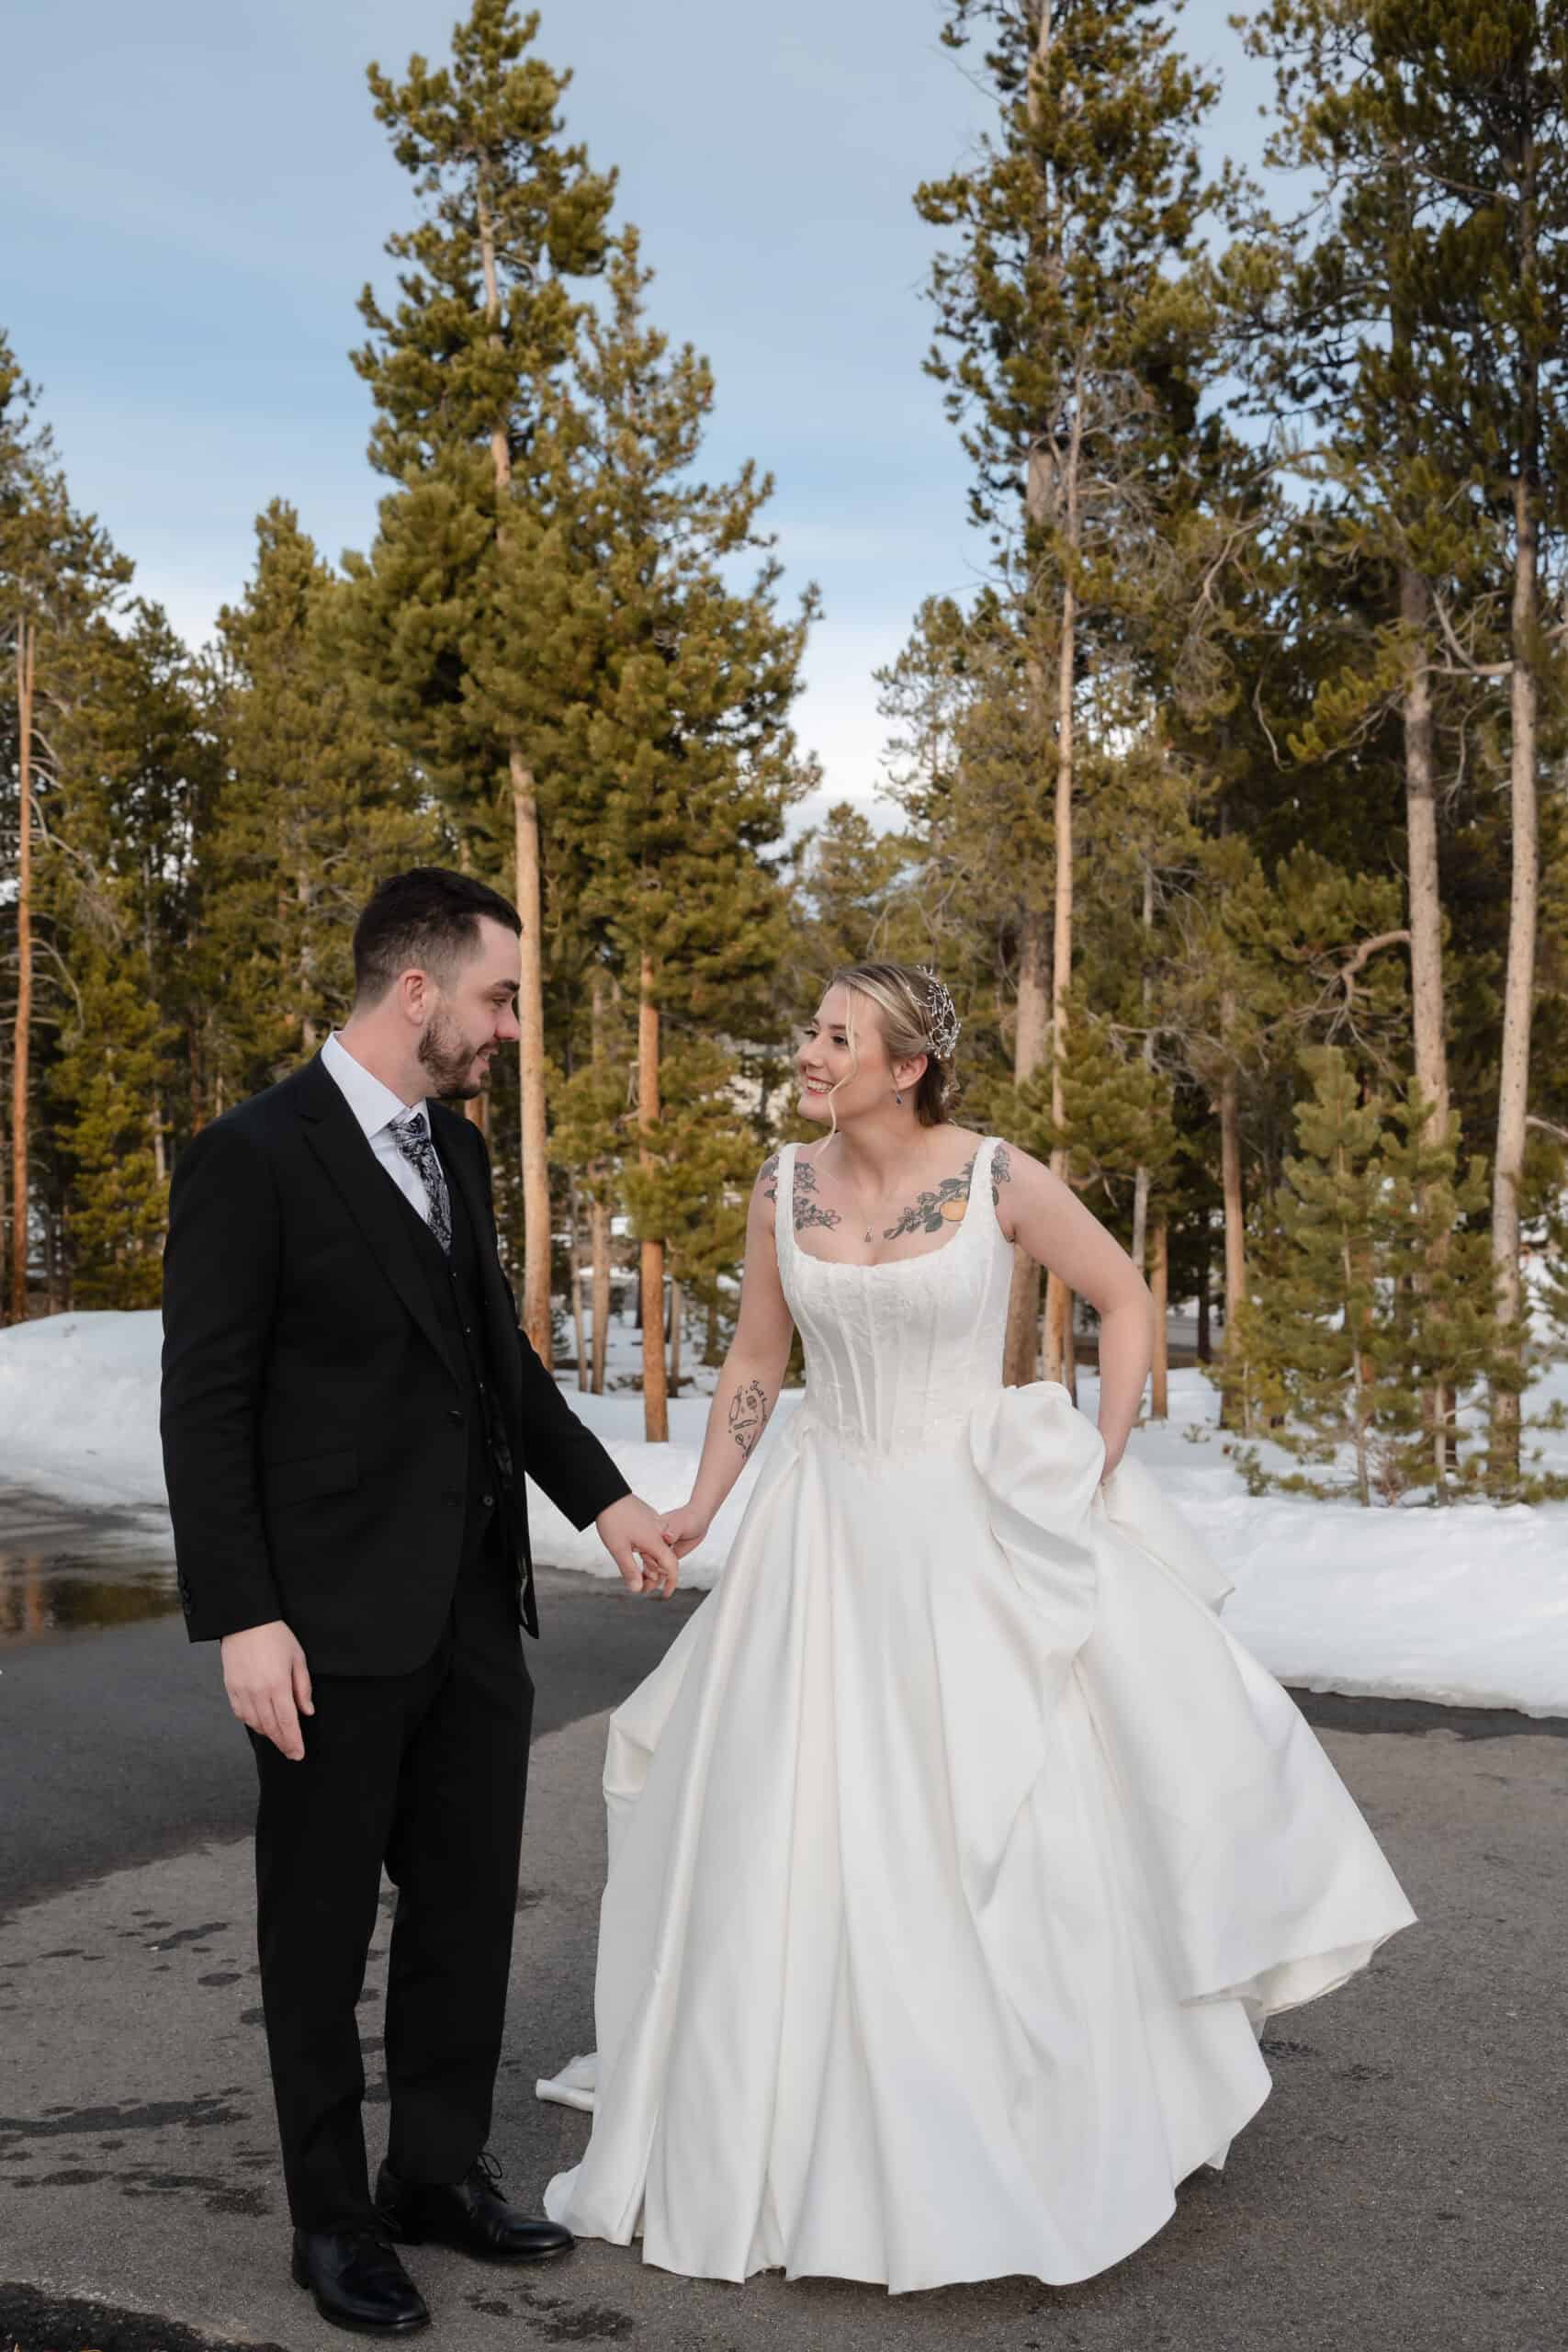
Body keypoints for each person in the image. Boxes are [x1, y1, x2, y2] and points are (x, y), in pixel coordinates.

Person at [538, 959, 1417, 2294]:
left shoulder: (998, 1175)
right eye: (812, 1029)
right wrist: (704, 1507)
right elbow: (759, 1359)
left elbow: (1123, 1302)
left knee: (1001, 1820)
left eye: (841, 1036)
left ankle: (1040, 2107)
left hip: (969, 1523)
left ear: (908, 1066)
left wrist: (1100, 1459)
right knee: (801, 1821)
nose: (812, 1051)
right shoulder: (784, 1185)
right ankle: (810, 2116)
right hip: (826, 1537)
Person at [160, 868, 681, 2336]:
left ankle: (434, 2177)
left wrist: (603, 1497)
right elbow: (204, 1409)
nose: (508, 1028)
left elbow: (493, 1360)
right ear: (416, 993)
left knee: (463, 1912)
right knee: (316, 1937)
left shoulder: (454, 1149)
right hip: (319, 1630)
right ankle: (333, 2222)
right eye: (499, 998)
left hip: (467, 1613)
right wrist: (242, 1617)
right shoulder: (250, 1158)